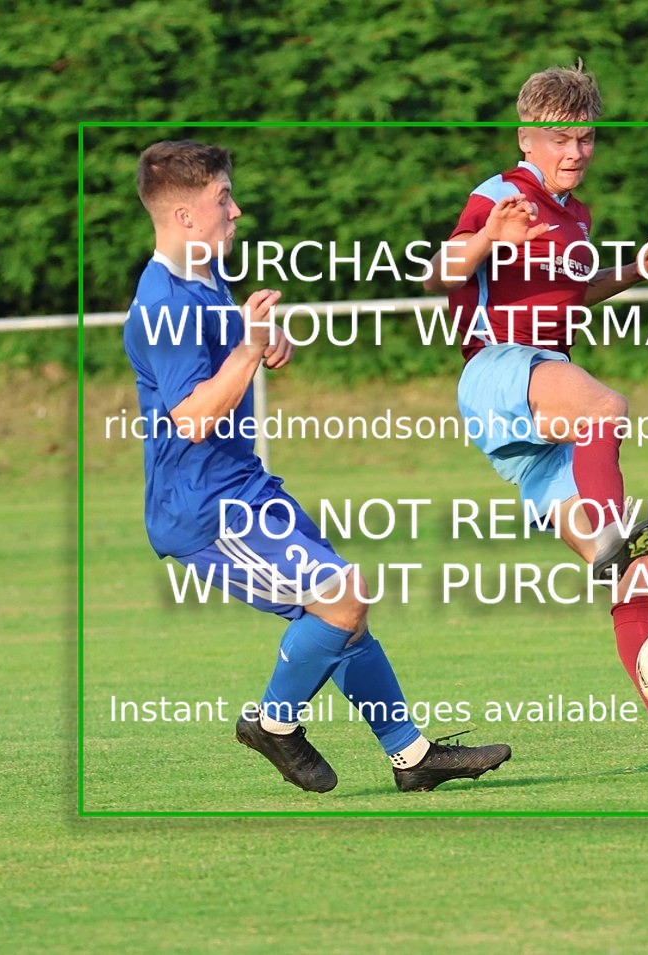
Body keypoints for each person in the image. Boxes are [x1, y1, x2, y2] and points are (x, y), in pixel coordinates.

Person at [123, 140, 511, 794]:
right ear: (185, 215)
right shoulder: (164, 301)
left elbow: (220, 361)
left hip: (243, 488)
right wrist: (246, 352)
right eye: (223, 198)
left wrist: (262, 341)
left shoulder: (204, 276)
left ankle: (412, 755)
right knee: (342, 597)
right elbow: (191, 418)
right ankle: (272, 724)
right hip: (203, 508)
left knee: (342, 613)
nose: (236, 210)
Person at [423, 64, 648, 778]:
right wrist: (488, 235)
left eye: (585, 138)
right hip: (498, 369)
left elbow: (573, 296)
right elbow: (437, 274)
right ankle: (614, 530)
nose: (576, 151)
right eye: (560, 139)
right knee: (605, 408)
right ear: (527, 137)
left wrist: (638, 270)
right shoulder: (502, 193)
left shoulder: (575, 216)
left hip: (538, 406)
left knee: (638, 578)